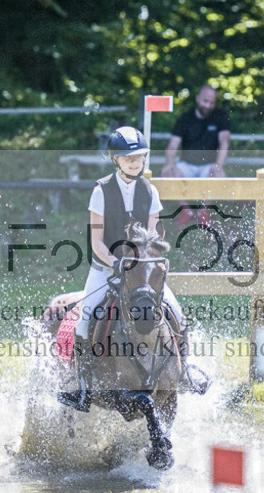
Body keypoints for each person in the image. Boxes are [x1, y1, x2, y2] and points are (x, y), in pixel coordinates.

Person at [59, 126, 185, 412]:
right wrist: (116, 263)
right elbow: (96, 242)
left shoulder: (150, 191)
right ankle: (83, 386)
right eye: (129, 158)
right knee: (85, 320)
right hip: (106, 268)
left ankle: (184, 372)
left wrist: (148, 262)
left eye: (139, 157)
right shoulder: (101, 191)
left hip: (141, 272)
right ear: (115, 160)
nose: (135, 162)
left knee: (177, 314)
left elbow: (152, 237)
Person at [162, 85, 231, 226]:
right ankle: (186, 211)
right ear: (198, 98)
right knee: (167, 173)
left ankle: (203, 212)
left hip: (209, 165)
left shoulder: (220, 116)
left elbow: (224, 141)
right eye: (205, 101)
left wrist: (219, 164)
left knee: (220, 175)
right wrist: (170, 164)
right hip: (186, 165)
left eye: (212, 102)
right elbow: (173, 145)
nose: (208, 105)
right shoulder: (185, 118)